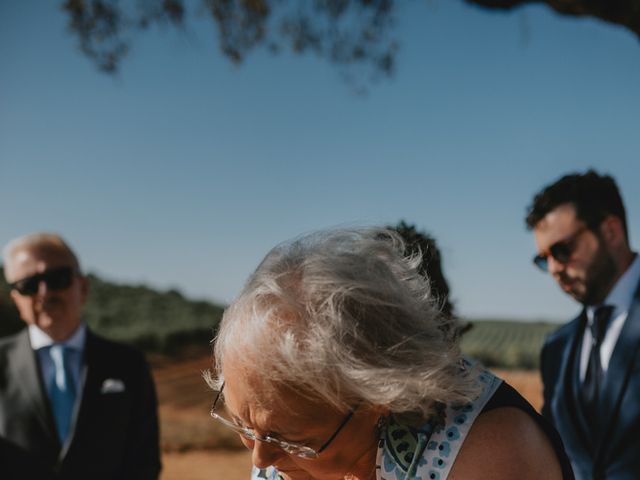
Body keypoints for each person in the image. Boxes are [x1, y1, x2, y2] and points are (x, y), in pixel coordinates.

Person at [206, 228, 574, 480]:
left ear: (379, 398)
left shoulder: (488, 455)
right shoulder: (278, 438)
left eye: (291, 440)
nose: (260, 459)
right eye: (242, 424)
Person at [0, 233, 161, 480]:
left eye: (57, 279)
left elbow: (145, 459)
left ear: (83, 287)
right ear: (16, 299)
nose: (44, 292)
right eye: (28, 285)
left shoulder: (129, 364)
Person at [526, 170, 639, 480]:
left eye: (562, 250)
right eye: (543, 259)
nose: (553, 269)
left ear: (611, 231)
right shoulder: (556, 348)